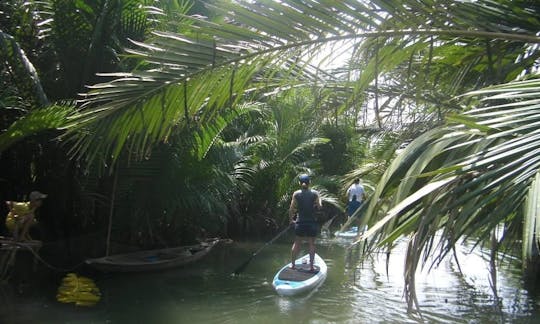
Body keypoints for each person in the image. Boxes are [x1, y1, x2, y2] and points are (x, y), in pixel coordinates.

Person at [289, 174, 321, 272]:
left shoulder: (296, 194)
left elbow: (291, 209)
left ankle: (293, 265)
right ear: (309, 182)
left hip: (300, 222)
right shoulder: (315, 193)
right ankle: (311, 267)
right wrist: (318, 202)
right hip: (311, 223)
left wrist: (291, 220)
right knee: (311, 243)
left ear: (300, 183)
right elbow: (319, 207)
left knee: (297, 243)